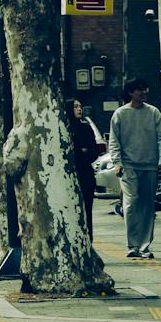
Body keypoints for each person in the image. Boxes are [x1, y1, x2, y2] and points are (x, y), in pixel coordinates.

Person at [107, 79, 161, 259]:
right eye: (140, 90)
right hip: (128, 166)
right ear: (131, 92)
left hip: (150, 165)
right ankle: (132, 245)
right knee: (131, 204)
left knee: (148, 206)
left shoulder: (153, 112)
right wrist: (117, 162)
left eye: (145, 89)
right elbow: (114, 140)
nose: (144, 92)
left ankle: (145, 246)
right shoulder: (120, 114)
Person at [65, 99, 100, 241]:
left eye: (80, 106)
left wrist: (79, 152)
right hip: (68, 177)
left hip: (85, 175)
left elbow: (93, 152)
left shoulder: (85, 128)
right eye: (75, 107)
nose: (79, 109)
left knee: (87, 210)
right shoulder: (63, 129)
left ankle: (88, 240)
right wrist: (81, 151)